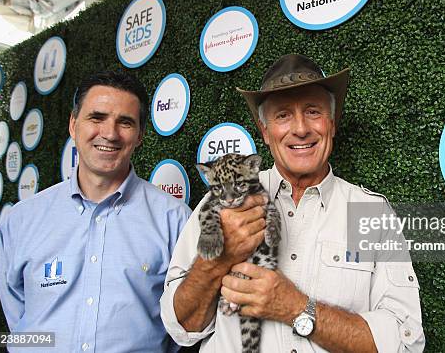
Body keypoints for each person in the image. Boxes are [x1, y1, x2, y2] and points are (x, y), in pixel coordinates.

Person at [161, 54, 425, 352]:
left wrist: (296, 307)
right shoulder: (219, 200)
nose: (300, 128)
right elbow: (180, 327)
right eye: (283, 115)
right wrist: (218, 261)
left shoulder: (371, 211)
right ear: (265, 132)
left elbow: (406, 342)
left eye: (313, 111)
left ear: (332, 124)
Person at [0, 71, 192, 352]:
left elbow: (185, 322)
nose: (110, 134)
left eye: (125, 122)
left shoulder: (174, 220)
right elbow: (18, 318)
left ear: (140, 136)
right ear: (73, 125)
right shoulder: (21, 219)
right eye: (96, 118)